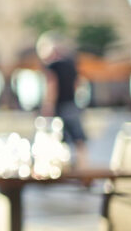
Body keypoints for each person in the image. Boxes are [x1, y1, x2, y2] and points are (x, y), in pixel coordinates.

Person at [37, 31, 88, 167]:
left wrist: (48, 105)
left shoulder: (53, 66)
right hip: (72, 104)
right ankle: (83, 166)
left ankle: (59, 166)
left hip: (59, 106)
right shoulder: (71, 64)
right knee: (78, 138)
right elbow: (78, 83)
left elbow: (52, 86)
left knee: (56, 136)